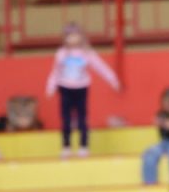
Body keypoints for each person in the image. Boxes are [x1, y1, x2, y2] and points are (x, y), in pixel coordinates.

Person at [44, 23, 121, 158]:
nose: (73, 38)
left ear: (81, 37)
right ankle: (66, 146)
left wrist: (113, 80)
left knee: (82, 118)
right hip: (65, 88)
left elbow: (100, 67)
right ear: (65, 38)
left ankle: (83, 146)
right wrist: (50, 87)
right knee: (66, 119)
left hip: (81, 88)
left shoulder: (87, 53)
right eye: (69, 36)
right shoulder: (61, 54)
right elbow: (55, 72)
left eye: (76, 35)